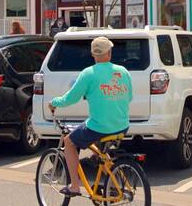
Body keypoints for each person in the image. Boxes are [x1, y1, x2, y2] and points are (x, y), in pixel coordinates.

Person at [47, 37, 132, 197]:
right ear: (110, 52)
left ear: (93, 54)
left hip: (99, 126)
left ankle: (74, 185)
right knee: (102, 147)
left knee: (69, 142)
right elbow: (129, 97)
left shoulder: (88, 74)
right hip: (122, 125)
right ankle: (111, 181)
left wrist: (54, 103)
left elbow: (70, 98)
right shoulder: (123, 71)